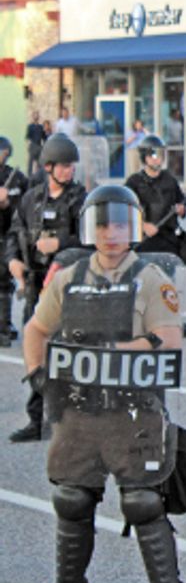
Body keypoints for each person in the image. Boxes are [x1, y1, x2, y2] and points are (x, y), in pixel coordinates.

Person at [18, 184, 186, 583]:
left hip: (133, 411)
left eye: (119, 223)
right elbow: (35, 329)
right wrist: (37, 376)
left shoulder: (151, 277)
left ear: (131, 227)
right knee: (72, 501)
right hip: (78, 412)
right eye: (104, 224)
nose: (112, 234)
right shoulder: (68, 277)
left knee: (144, 504)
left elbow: (168, 339)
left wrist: (110, 351)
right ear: (91, 228)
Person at [6, 133, 84, 443]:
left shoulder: (80, 200)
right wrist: (12, 261)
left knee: (70, 354)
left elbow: (93, 240)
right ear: (48, 167)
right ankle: (37, 420)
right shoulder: (31, 199)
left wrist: (60, 243)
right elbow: (14, 232)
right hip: (36, 285)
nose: (69, 171)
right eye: (63, 166)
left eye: (71, 166)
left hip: (69, 288)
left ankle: (71, 421)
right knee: (36, 354)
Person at [126, 135, 186, 258]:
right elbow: (124, 211)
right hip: (143, 241)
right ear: (144, 157)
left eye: (160, 155)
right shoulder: (134, 182)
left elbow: (182, 202)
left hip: (167, 240)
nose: (156, 159)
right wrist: (143, 225)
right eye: (152, 156)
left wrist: (182, 209)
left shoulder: (170, 180)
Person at [0, 136, 30, 346]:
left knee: (4, 283)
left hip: (8, 236)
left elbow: (26, 207)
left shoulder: (16, 178)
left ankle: (4, 324)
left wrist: (7, 203)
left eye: (3, 151)